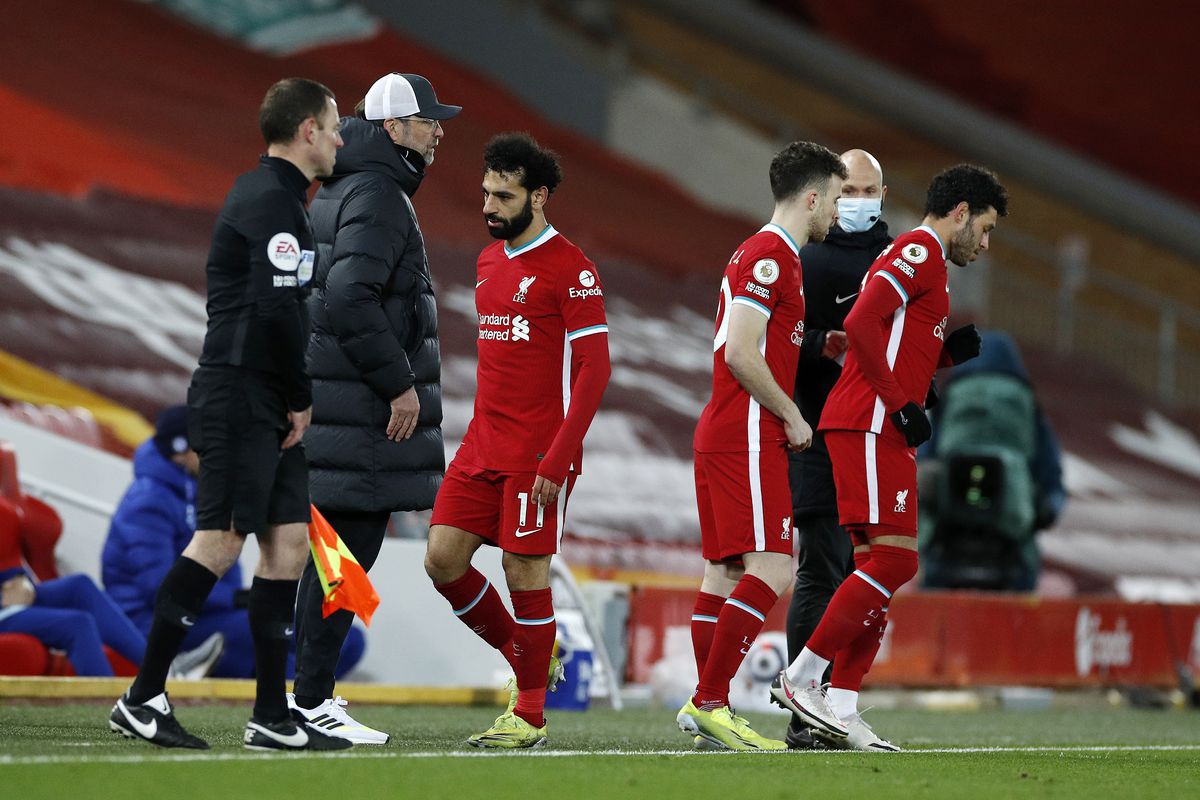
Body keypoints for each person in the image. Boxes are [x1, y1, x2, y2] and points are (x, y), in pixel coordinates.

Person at [108, 77, 350, 752]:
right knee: (220, 539)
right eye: (332, 127)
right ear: (306, 130)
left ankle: (271, 716)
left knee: (289, 542)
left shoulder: (282, 200)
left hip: (264, 390)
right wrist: (300, 396)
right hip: (243, 388)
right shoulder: (269, 200)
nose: (338, 139)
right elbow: (275, 312)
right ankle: (142, 696)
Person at [773, 164, 1008, 751]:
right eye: (984, 228)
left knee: (877, 567)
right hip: (870, 423)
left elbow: (892, 339)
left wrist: (944, 359)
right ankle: (803, 679)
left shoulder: (923, 261)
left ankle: (844, 704)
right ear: (960, 212)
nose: (985, 243)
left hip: (870, 423)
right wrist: (902, 405)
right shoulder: (919, 251)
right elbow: (859, 321)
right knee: (895, 564)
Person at [423, 133, 611, 749]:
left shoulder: (573, 270)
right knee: (442, 558)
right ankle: (528, 652)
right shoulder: (487, 262)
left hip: (538, 454)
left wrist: (559, 459)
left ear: (541, 196)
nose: (490, 207)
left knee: (523, 568)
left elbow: (594, 369)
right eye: (485, 194)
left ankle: (528, 713)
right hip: (481, 445)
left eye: (504, 197)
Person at [293, 72, 460, 744]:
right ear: (393, 128)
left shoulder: (341, 184)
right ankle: (309, 701)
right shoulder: (379, 193)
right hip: (358, 407)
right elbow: (349, 297)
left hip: (336, 397)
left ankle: (303, 698)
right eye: (428, 120)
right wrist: (398, 384)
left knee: (336, 552)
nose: (439, 130)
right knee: (346, 551)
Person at [676, 141, 846, 752]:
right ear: (812, 196)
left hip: (726, 430)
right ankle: (713, 701)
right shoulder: (772, 256)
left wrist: (816, 345)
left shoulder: (768, 256)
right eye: (835, 197)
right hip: (748, 431)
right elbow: (740, 352)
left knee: (722, 574)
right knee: (773, 568)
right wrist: (792, 414)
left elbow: (757, 343)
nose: (838, 209)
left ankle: (705, 711)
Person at [102, 406, 364, 679]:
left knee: (345, 638)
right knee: (266, 633)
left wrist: (241, 599)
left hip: (210, 612)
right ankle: (294, 702)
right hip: (152, 622)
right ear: (181, 450)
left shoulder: (205, 488)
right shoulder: (147, 501)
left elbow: (226, 563)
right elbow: (155, 587)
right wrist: (236, 599)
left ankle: (302, 698)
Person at [782, 149, 892, 749]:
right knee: (823, 570)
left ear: (884, 193)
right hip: (819, 434)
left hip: (878, 437)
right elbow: (771, 337)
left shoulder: (898, 256)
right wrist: (820, 341)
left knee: (865, 575)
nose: (857, 200)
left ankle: (838, 704)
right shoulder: (805, 256)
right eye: (848, 188)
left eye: (867, 190)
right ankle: (806, 713)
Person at [918, 330, 1065, 591]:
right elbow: (1051, 481)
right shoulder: (1029, 407)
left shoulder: (946, 403)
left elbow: (919, 468)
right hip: (1011, 553)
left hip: (947, 545)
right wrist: (1043, 508)